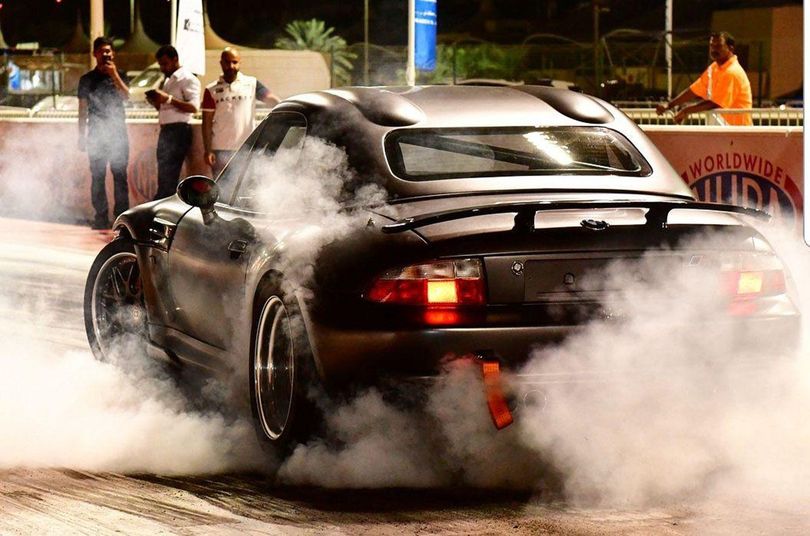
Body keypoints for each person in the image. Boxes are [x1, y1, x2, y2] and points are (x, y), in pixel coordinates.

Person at [77, 36, 130, 230]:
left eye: (108, 51)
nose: (106, 54)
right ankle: (100, 217)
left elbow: (127, 97)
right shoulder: (87, 80)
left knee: (120, 176)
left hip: (118, 134)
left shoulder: (120, 74)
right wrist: (80, 136)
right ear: (95, 54)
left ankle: (121, 220)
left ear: (113, 53)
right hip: (96, 135)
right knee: (97, 177)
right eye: (101, 51)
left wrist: (115, 75)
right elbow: (82, 110)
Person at [201, 47, 280, 177]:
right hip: (220, 149)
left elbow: (271, 99)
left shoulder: (252, 84)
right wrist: (208, 150)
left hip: (246, 147)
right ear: (221, 63)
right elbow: (206, 123)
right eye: (227, 62)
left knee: (244, 187)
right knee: (220, 188)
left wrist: (286, 107)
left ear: (240, 63)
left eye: (234, 62)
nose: (231, 66)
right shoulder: (211, 90)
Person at [656, 31, 752, 126]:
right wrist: (669, 105)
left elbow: (715, 103)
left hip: (738, 131)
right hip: (724, 129)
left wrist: (686, 111)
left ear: (730, 48)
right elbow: (694, 90)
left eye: (718, 46)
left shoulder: (732, 72)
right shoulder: (714, 68)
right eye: (711, 46)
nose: (714, 49)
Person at [146, 45, 200, 200]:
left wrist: (168, 99)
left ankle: (163, 203)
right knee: (164, 173)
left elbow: (193, 107)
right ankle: (162, 201)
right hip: (167, 130)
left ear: (175, 59)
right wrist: (156, 102)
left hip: (179, 130)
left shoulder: (188, 79)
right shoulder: (169, 80)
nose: (163, 68)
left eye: (165, 63)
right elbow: (166, 108)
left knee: (170, 174)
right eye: (161, 64)